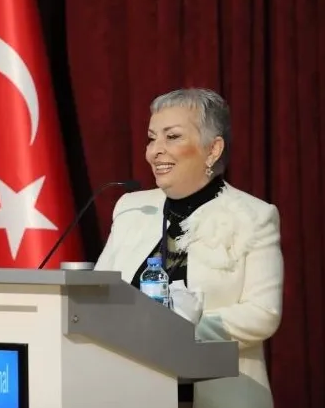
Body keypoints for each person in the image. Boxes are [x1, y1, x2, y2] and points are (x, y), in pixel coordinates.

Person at [94, 88, 284, 408]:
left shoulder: (254, 216)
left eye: (172, 137)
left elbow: (263, 313)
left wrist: (177, 331)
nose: (155, 151)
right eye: (151, 138)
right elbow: (99, 294)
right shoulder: (131, 207)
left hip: (219, 394)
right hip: (131, 391)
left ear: (213, 149)